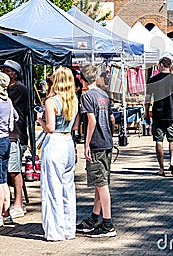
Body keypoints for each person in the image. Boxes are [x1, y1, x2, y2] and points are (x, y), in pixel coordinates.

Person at [36, 66, 79, 241]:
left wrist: (40, 120)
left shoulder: (51, 101)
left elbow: (51, 129)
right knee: (68, 188)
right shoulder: (74, 100)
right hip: (68, 142)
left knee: (52, 189)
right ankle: (69, 229)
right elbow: (76, 127)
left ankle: (54, 231)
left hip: (54, 144)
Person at [76, 64, 116, 238]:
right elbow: (111, 118)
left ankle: (107, 224)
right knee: (100, 183)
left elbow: (91, 121)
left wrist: (86, 144)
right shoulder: (103, 95)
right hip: (106, 142)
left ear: (82, 79)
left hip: (97, 143)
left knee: (102, 185)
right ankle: (94, 217)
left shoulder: (86, 96)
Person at [144, 57, 173, 177]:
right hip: (171, 115)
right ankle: (172, 162)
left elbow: (147, 99)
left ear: (161, 65)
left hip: (157, 114)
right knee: (172, 140)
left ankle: (161, 168)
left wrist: (146, 112)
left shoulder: (153, 80)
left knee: (158, 141)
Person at [0, 60, 29, 219]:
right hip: (7, 135)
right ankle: (6, 204)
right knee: (4, 173)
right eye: (3, 69)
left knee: (14, 170)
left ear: (14, 74)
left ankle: (18, 203)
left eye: (7, 70)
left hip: (15, 136)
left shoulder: (18, 90)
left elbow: (13, 111)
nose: (3, 72)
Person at [0, 72, 19, 227]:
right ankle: (6, 214)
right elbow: (16, 117)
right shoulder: (8, 101)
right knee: (3, 179)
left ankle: (0, 215)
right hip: (6, 140)